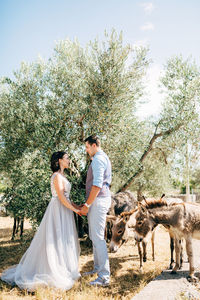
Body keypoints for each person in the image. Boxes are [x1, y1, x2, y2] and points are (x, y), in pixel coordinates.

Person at [1, 151, 81, 291]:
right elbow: (61, 198)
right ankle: (53, 269)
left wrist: (77, 207)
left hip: (65, 210)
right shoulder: (56, 176)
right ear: (59, 160)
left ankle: (65, 267)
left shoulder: (63, 176)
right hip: (58, 210)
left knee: (64, 238)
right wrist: (75, 210)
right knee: (55, 238)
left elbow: (67, 198)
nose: (69, 160)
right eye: (67, 158)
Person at [80, 135, 112, 287]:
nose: (86, 150)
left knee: (98, 238)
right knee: (94, 236)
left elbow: (97, 185)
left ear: (94, 145)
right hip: (98, 201)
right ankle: (98, 268)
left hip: (98, 201)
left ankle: (104, 277)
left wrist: (87, 205)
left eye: (87, 147)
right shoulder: (101, 158)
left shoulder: (98, 159)